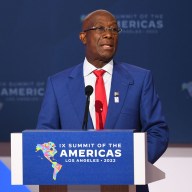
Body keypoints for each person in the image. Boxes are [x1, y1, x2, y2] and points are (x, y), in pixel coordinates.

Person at [36, 9, 169, 192]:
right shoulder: (57, 84)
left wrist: (132, 164)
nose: (109, 34)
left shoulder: (139, 79)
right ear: (83, 37)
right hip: (73, 184)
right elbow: (45, 137)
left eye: (114, 30)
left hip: (126, 184)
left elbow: (157, 131)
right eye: (100, 28)